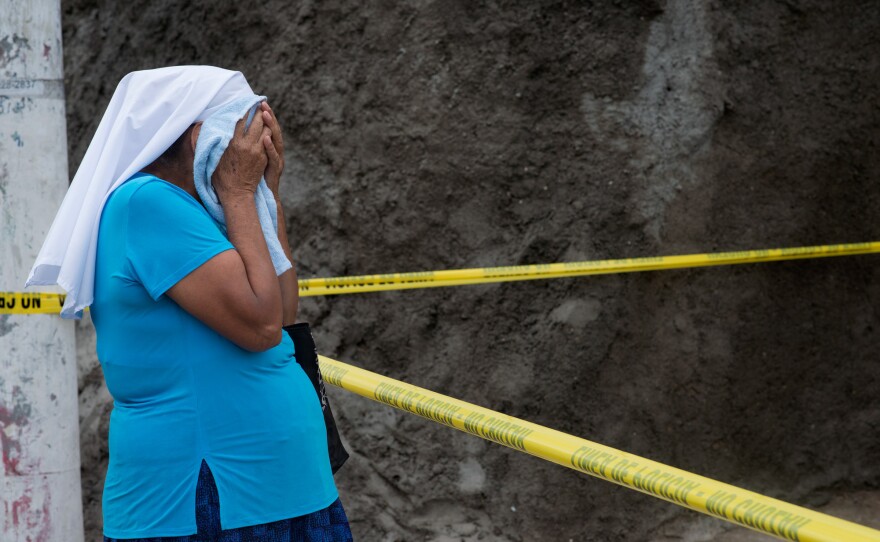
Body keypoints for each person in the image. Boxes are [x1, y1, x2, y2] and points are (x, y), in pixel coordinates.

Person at [27, 67, 352, 541]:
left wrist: (266, 196)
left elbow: (282, 313)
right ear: (201, 134)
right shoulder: (146, 203)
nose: (255, 148)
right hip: (213, 498)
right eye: (243, 130)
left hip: (275, 491)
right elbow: (262, 328)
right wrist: (240, 191)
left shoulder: (204, 209)